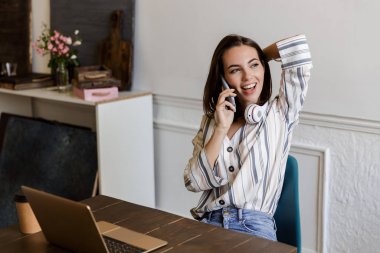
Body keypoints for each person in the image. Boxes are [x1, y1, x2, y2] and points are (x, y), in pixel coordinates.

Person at [184, 34, 312, 241]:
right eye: (235, 70)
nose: (247, 77)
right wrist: (220, 129)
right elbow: (194, 182)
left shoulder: (280, 113)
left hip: (253, 227)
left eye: (254, 66)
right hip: (207, 224)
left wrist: (263, 56)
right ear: (223, 80)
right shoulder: (211, 122)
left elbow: (297, 49)